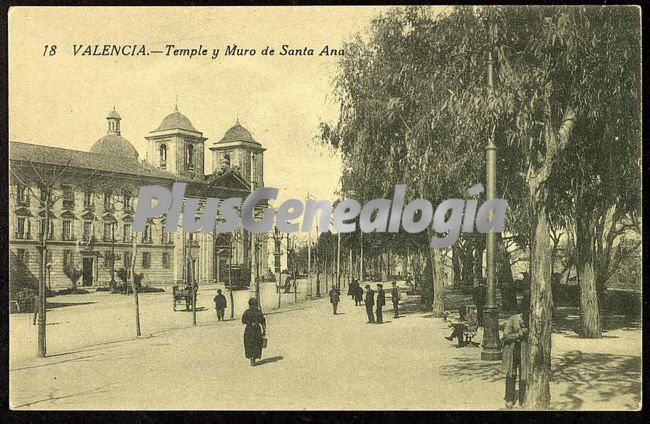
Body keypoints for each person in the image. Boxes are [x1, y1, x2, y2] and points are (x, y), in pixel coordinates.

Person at [502, 293, 530, 408]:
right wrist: (519, 333)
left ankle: (522, 399)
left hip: (524, 351)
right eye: (526, 313)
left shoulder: (532, 321)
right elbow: (505, 336)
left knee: (524, 375)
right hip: (512, 351)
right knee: (511, 374)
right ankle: (509, 398)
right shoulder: (512, 319)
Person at [242, 298, 267, 366]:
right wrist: (264, 331)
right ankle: (254, 358)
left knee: (249, 343)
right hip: (257, 329)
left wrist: (249, 322)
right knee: (256, 344)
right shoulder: (258, 312)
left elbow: (243, 321)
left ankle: (251, 358)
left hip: (249, 329)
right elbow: (263, 322)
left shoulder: (246, 312)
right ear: (256, 304)